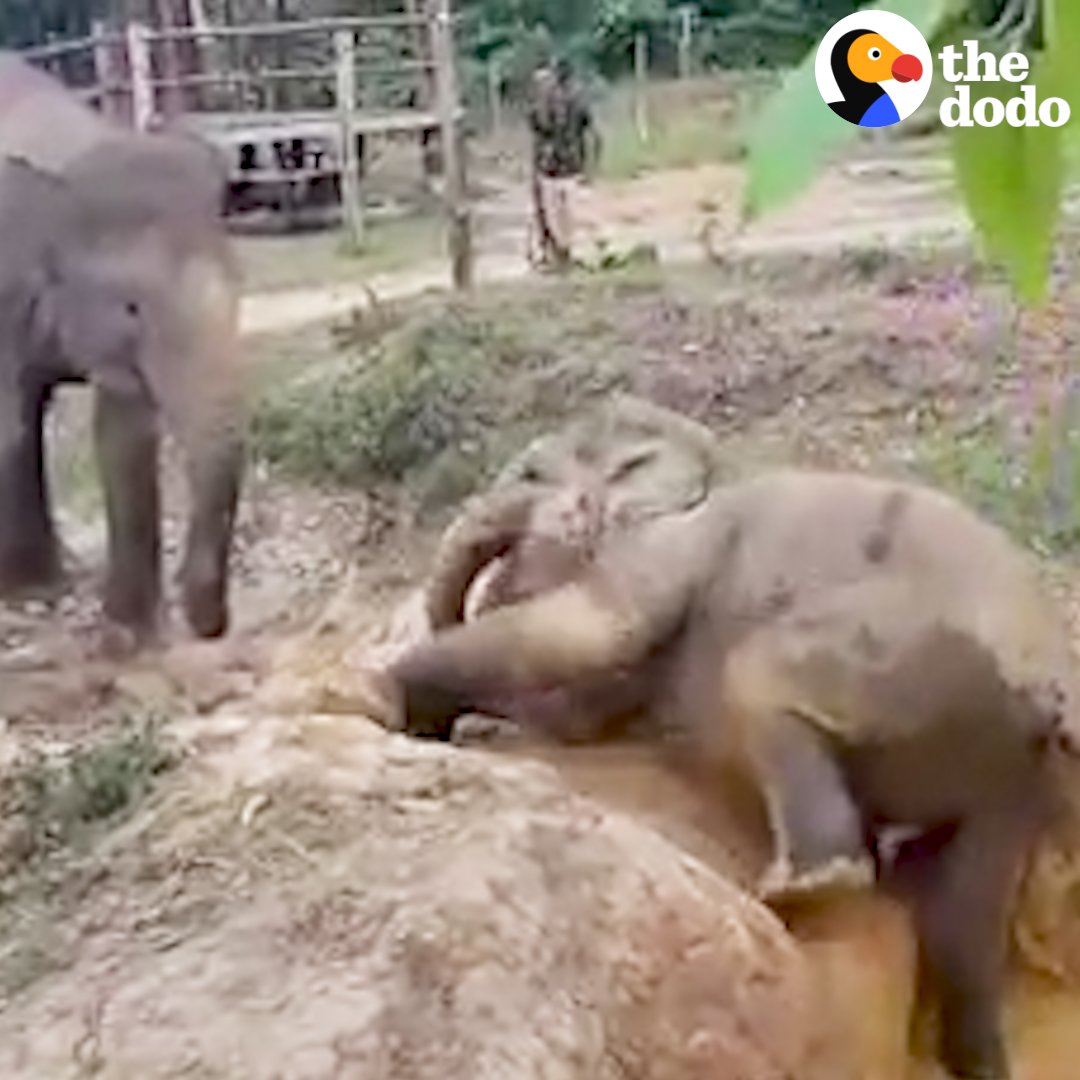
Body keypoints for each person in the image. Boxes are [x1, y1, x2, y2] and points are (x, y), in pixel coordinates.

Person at [526, 57, 601, 271]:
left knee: (567, 216)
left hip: (563, 167)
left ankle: (572, 256)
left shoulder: (572, 103)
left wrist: (591, 165)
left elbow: (591, 133)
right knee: (560, 218)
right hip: (556, 168)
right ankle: (564, 256)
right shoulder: (543, 107)